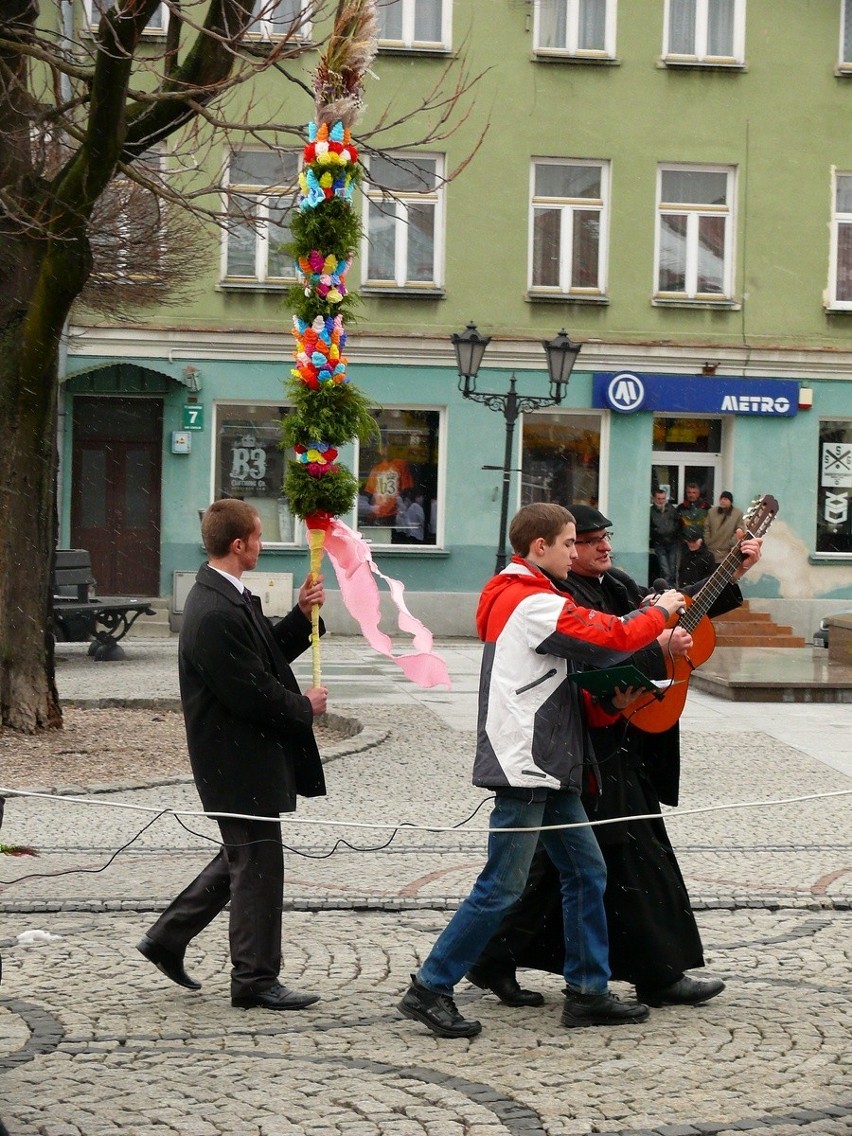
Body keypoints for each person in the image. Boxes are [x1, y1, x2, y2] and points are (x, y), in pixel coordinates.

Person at [397, 503, 687, 1039]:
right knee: (501, 887)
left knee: (586, 872)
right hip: (526, 763)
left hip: (548, 762)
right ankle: (430, 987)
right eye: (569, 543)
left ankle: (587, 992)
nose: (576, 551)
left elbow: (587, 662)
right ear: (539, 549)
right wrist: (662, 612)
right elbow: (613, 636)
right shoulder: (528, 601)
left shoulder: (532, 597)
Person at [469, 504, 762, 1010]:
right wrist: (657, 647)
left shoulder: (617, 582)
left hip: (625, 740)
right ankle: (653, 975)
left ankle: (496, 954)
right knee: (612, 859)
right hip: (585, 744)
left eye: (606, 535)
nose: (604, 546)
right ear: (560, 547)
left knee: (573, 865)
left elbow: (676, 612)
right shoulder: (556, 595)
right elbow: (606, 652)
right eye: (586, 540)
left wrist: (730, 571)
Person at [137, 498, 329, 1011]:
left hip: (244, 757)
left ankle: (167, 938)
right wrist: (303, 706)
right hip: (235, 759)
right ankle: (254, 980)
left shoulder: (230, 596)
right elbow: (251, 693)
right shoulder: (215, 609)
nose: (263, 545)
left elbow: (261, 656)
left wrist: (302, 617)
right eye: (260, 537)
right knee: (258, 867)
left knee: (244, 856)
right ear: (239, 544)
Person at [704, 491, 745, 564]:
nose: (722, 501)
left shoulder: (737, 514)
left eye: (725, 499)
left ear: (730, 501)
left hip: (726, 551)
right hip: (711, 549)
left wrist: (731, 543)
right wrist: (708, 541)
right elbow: (706, 528)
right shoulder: (712, 512)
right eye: (721, 499)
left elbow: (740, 530)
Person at [649, 488, 680, 584]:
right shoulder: (651, 511)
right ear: (654, 499)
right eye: (659, 498)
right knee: (665, 571)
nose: (661, 501)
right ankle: (665, 591)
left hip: (672, 543)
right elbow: (649, 527)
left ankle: (672, 590)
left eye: (663, 498)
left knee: (673, 571)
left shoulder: (671, 509)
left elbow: (678, 523)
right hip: (660, 544)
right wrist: (656, 533)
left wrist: (674, 532)